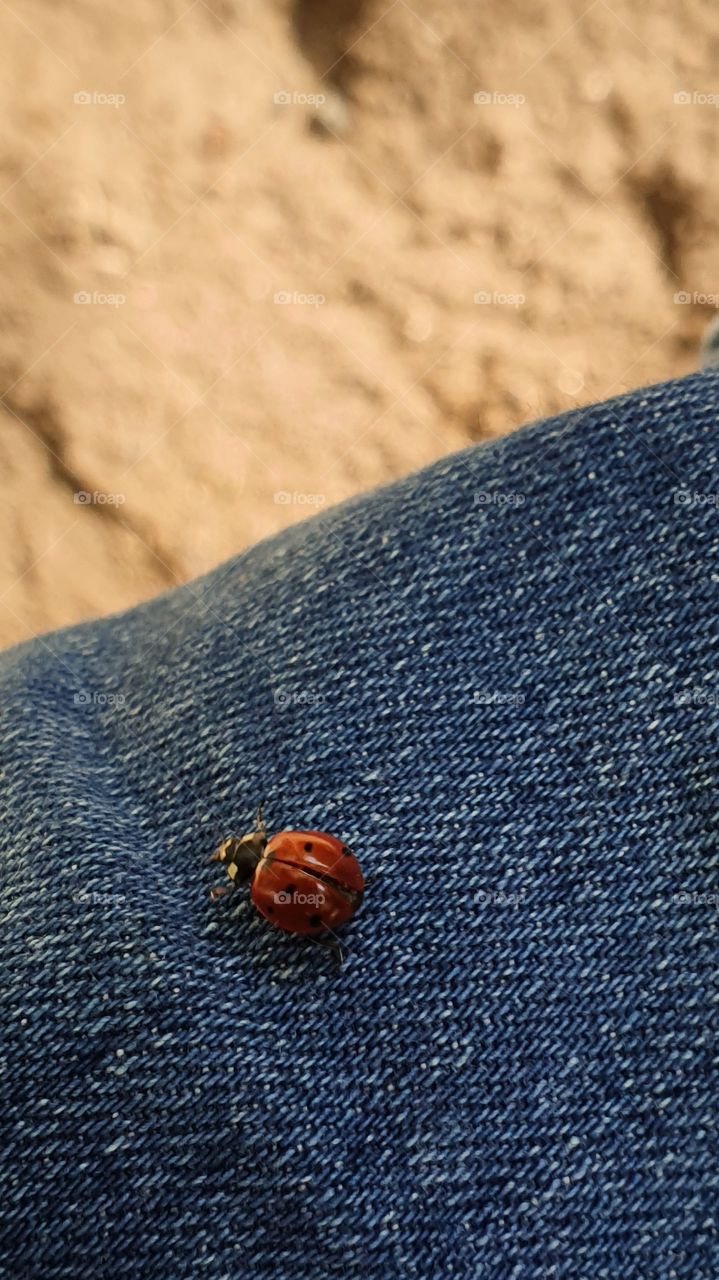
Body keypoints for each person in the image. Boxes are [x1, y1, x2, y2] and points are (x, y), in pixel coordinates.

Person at [1, 367, 716, 1279]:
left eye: (241, 853)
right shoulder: (284, 865)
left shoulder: (270, 874)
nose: (245, 855)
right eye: (245, 853)